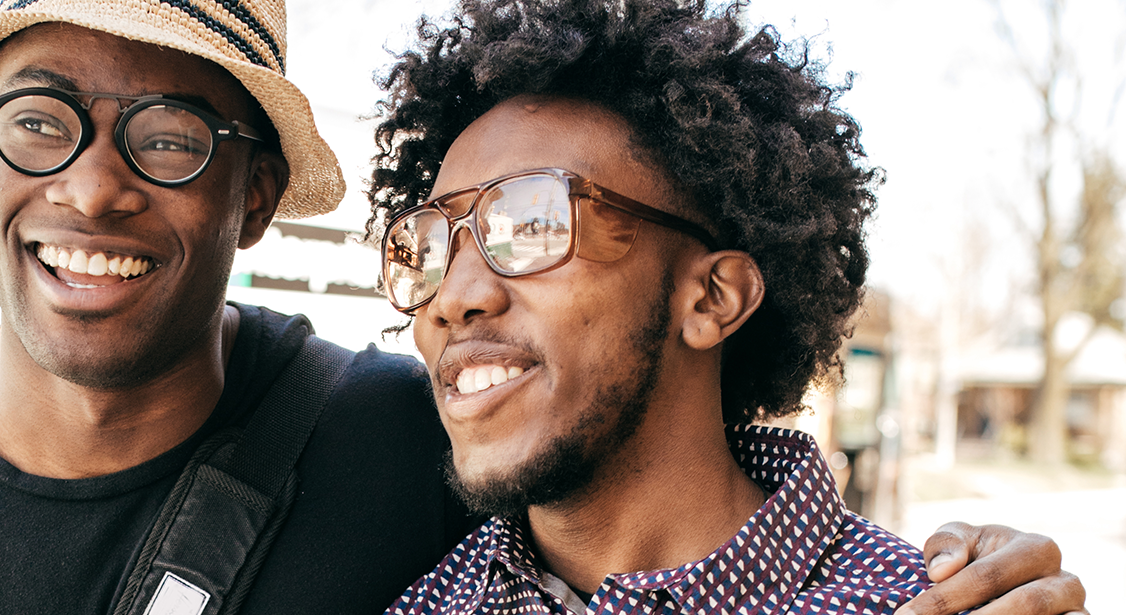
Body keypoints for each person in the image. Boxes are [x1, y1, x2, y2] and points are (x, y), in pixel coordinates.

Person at [0, 1, 1084, 614]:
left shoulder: (390, 455)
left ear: (252, 199)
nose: (94, 188)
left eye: (172, 136)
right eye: (37, 121)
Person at [365, 1, 1089, 614]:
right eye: (430, 246)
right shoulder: (418, 597)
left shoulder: (923, 602)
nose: (453, 297)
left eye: (530, 225)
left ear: (713, 298)